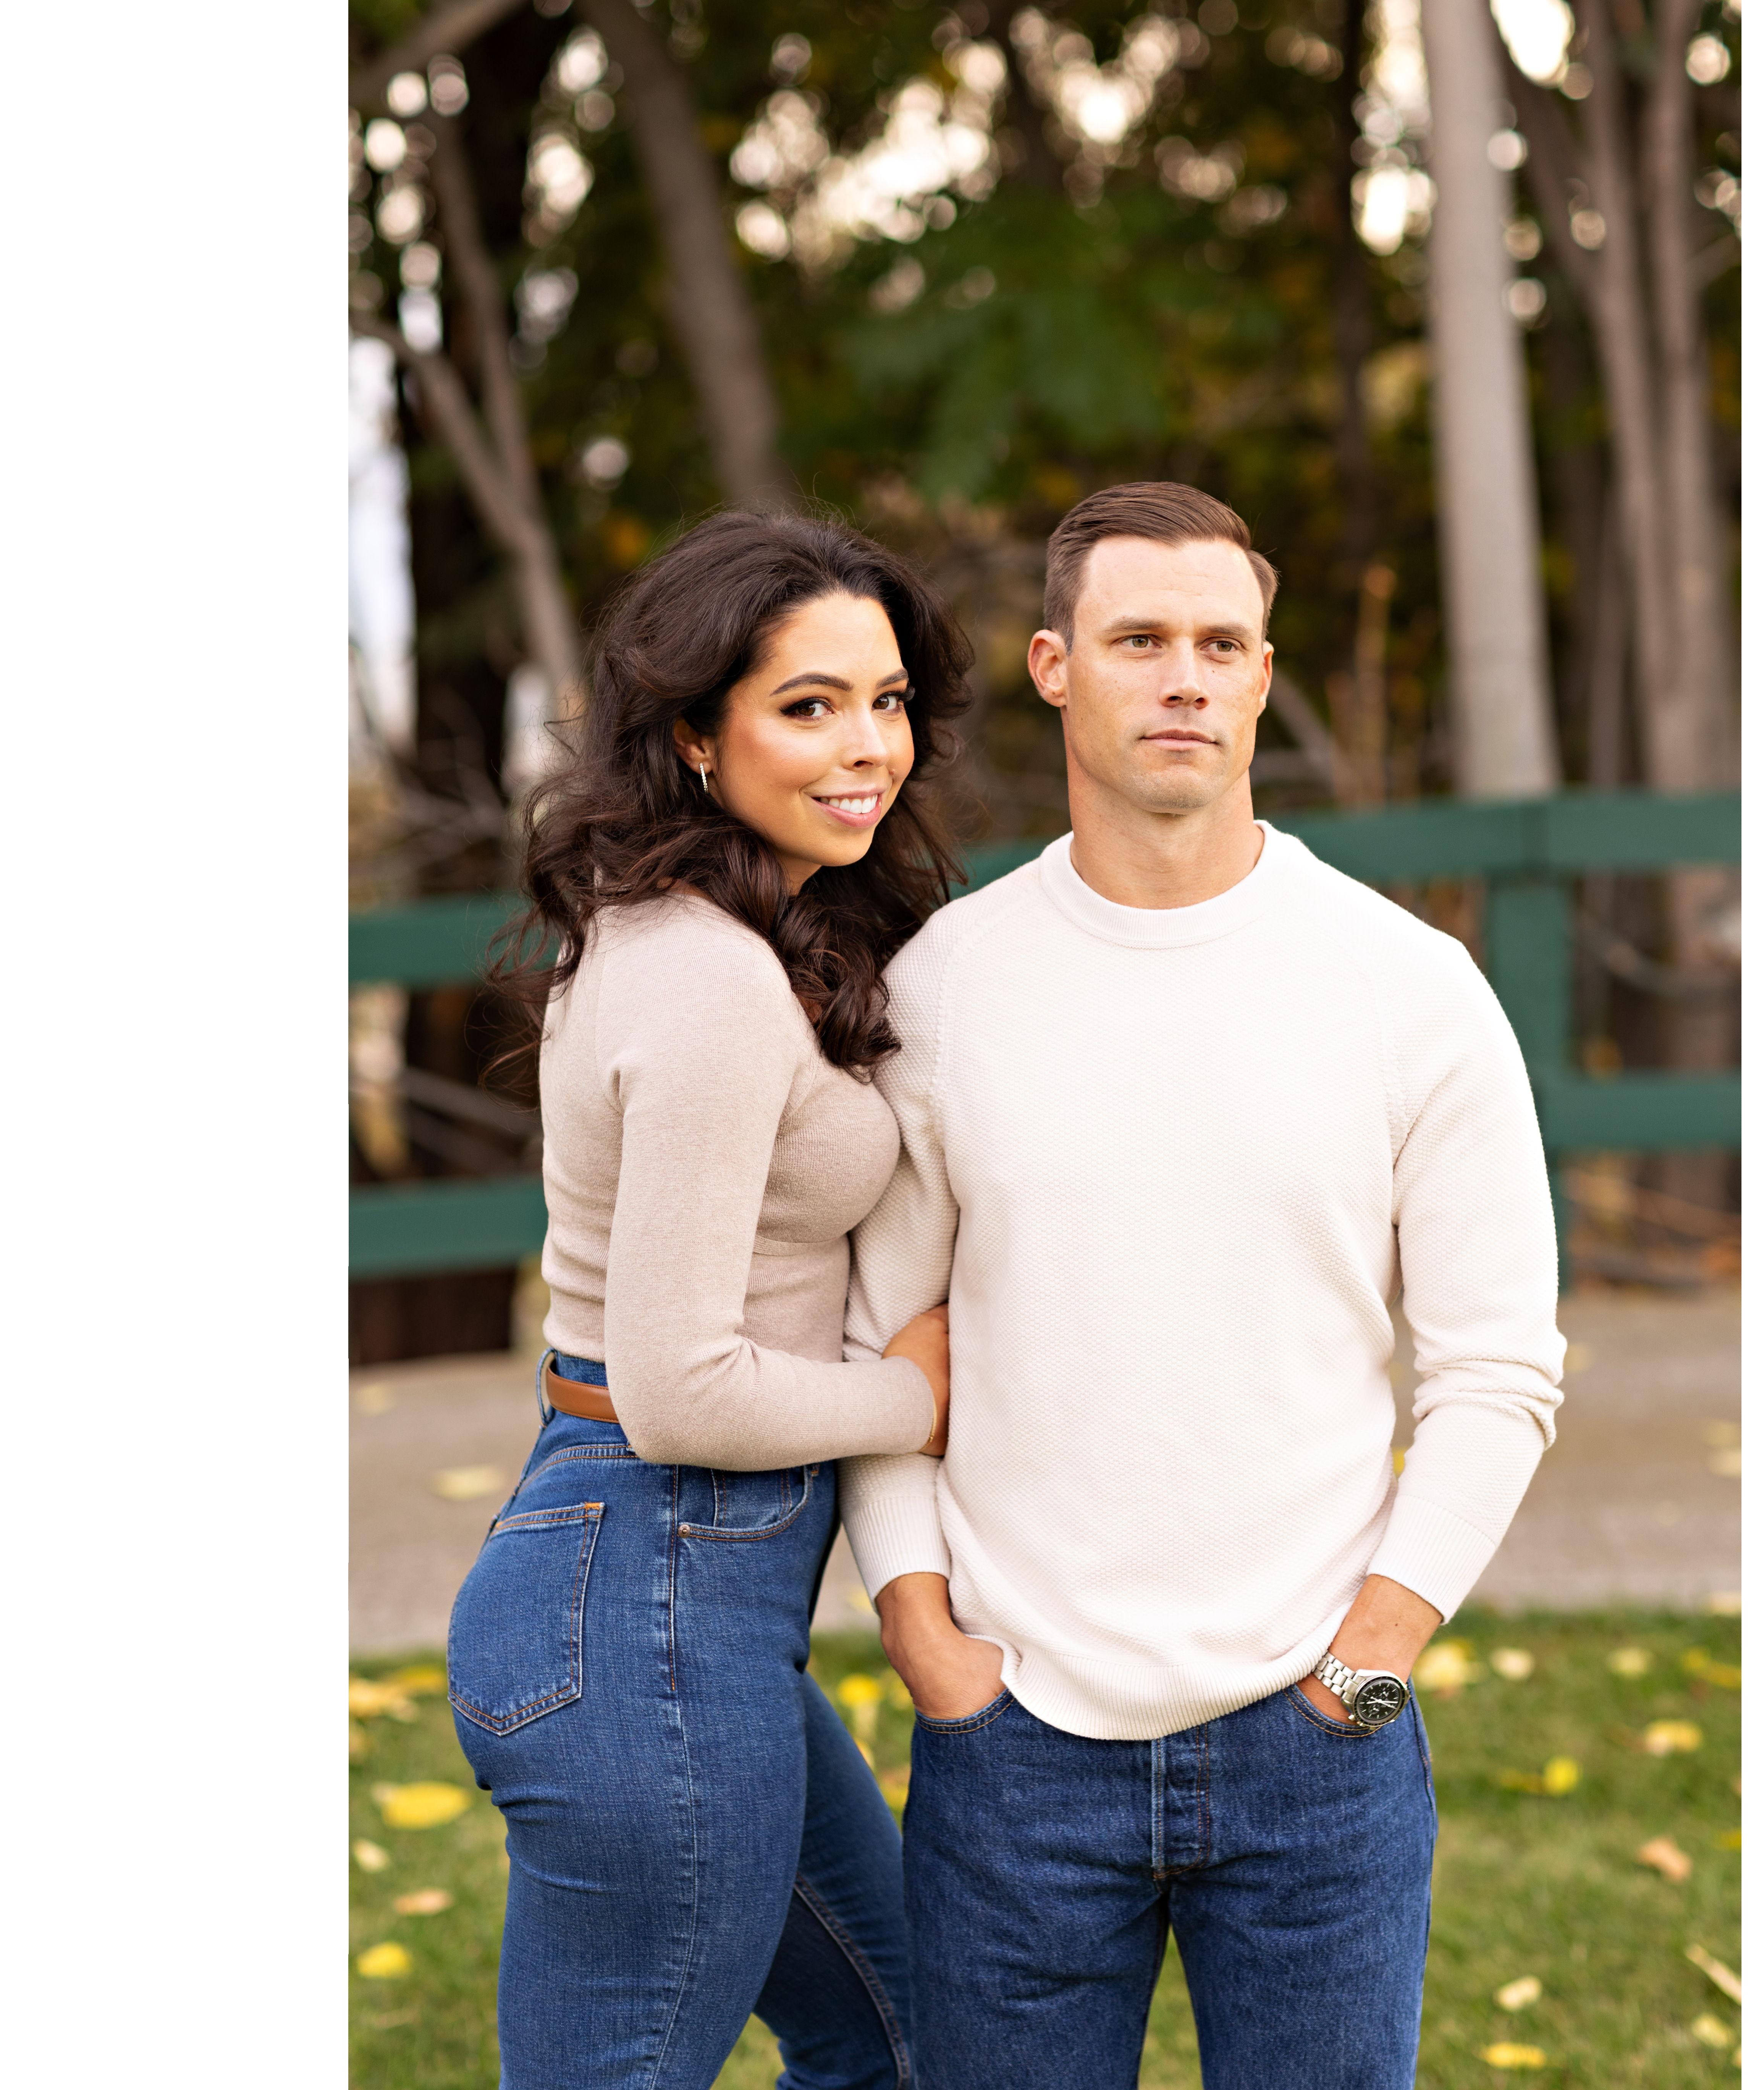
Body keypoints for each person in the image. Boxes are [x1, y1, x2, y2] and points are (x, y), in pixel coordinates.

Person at [839, 482, 1566, 2087]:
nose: (1185, 678)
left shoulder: (1409, 989)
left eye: (1222, 645)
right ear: (1054, 666)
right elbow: (873, 1344)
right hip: (1016, 1742)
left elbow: (1499, 1369)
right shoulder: (947, 987)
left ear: (1261, 672)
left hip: (1318, 1738)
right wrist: (922, 1632)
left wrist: (1372, 1656)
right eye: (1141, 640)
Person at [451, 510, 963, 2089]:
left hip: (666, 1598)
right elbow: (682, 1388)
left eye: (886, 701)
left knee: (896, 2041)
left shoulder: (726, 935)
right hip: (650, 1592)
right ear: (693, 733)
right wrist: (926, 1396)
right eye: (809, 706)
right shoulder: (705, 980)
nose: (868, 747)